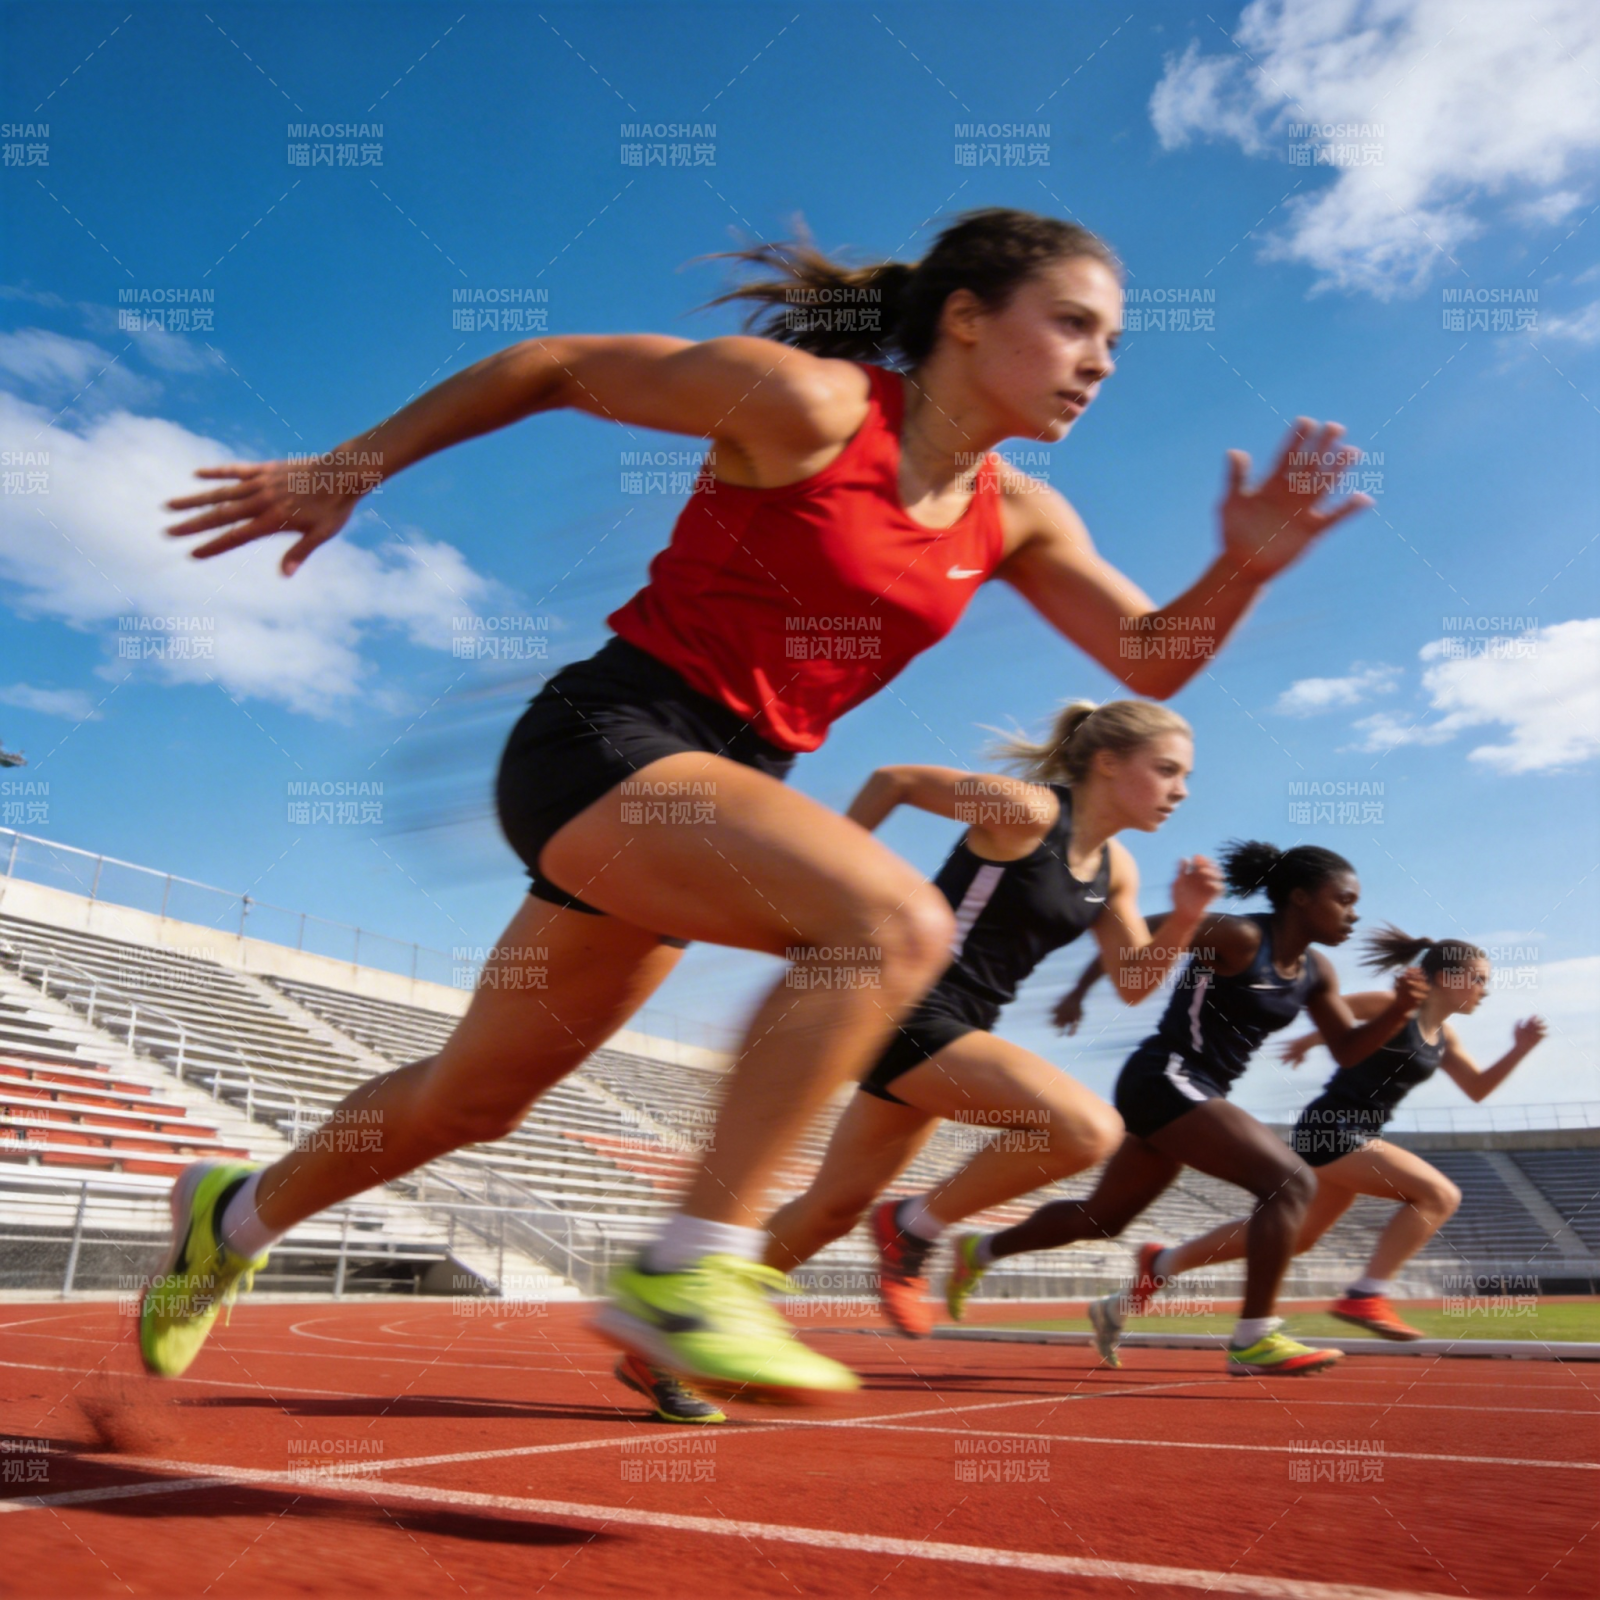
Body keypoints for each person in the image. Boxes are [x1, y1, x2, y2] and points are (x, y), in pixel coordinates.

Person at [143, 206, 1371, 1402]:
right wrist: (347, 469)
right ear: (963, 317)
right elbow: (553, 365)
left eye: (1113, 344)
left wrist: (1242, 566)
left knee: (474, 1098)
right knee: (892, 921)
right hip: (609, 738)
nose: (1099, 364)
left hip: (719, 800)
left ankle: (229, 1217)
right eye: (1073, 326)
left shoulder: (1019, 513)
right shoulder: (810, 406)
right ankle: (696, 1273)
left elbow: (1149, 657)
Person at [761, 700, 1220, 1341]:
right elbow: (894, 781)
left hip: (958, 1026)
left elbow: (1135, 982)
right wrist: (827, 886)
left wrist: (1187, 916)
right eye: (1168, 770)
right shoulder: (1029, 812)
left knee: (831, 1208)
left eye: (1185, 776)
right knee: (1086, 1130)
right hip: (906, 1006)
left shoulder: (1118, 869)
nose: (1181, 790)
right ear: (1109, 763)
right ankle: (912, 1226)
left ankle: (684, 1321)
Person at [947, 841, 1428, 1376]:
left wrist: (1400, 1012)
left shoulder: (1317, 972)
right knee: (1291, 1184)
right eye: (1344, 900)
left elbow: (1347, 1051)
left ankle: (979, 1251)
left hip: (1197, 1091)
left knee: (1102, 1218)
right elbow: (1129, 929)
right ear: (1300, 898)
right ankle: (1254, 1339)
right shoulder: (1239, 936)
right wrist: (1080, 991)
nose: (1354, 914)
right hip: (1164, 1075)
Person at [1129, 928, 1547, 1341]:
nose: (1484, 989)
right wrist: (1307, 1041)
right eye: (1478, 978)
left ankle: (1163, 1262)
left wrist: (1520, 1048)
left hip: (1357, 1132)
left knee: (1299, 1236)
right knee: (1439, 1195)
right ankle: (1367, 1295)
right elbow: (1334, 1009)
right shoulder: (1390, 1004)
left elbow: (1478, 1089)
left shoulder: (1446, 1037)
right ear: (1445, 977)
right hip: (1331, 1127)